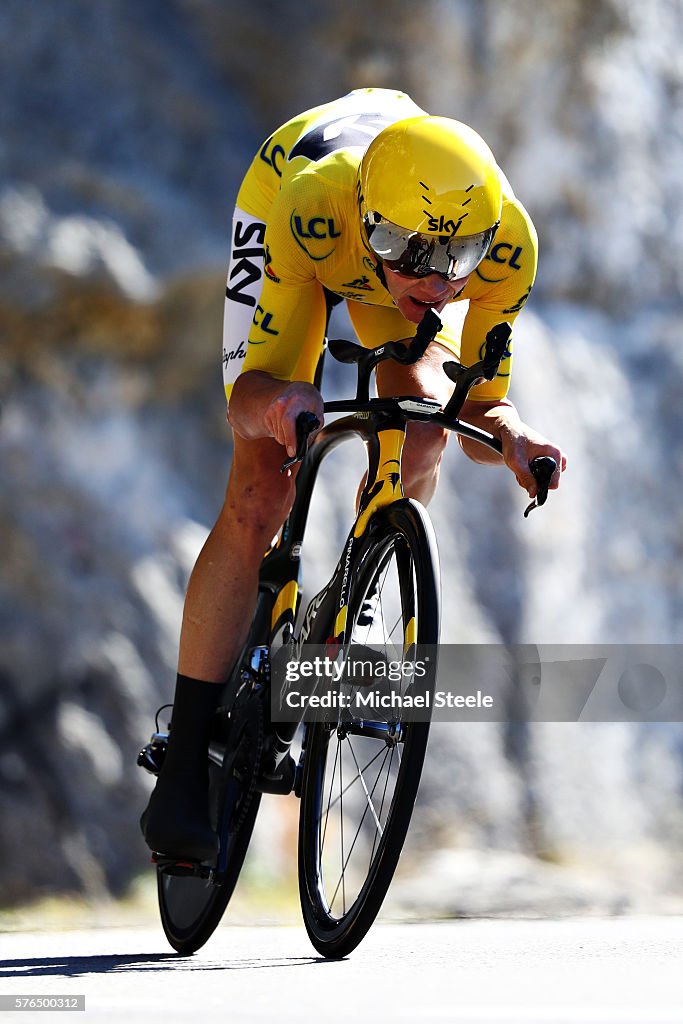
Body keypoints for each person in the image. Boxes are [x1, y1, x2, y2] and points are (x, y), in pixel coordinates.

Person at [141, 87, 567, 861]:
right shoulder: (310, 209)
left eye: (455, 259)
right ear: (376, 225)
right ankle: (183, 760)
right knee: (262, 485)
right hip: (305, 215)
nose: (437, 284)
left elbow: (482, 413)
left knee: (427, 429)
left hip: (374, 235)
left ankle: (355, 596)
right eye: (415, 255)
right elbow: (247, 400)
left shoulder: (507, 246)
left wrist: (516, 436)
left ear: (485, 238)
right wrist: (281, 400)